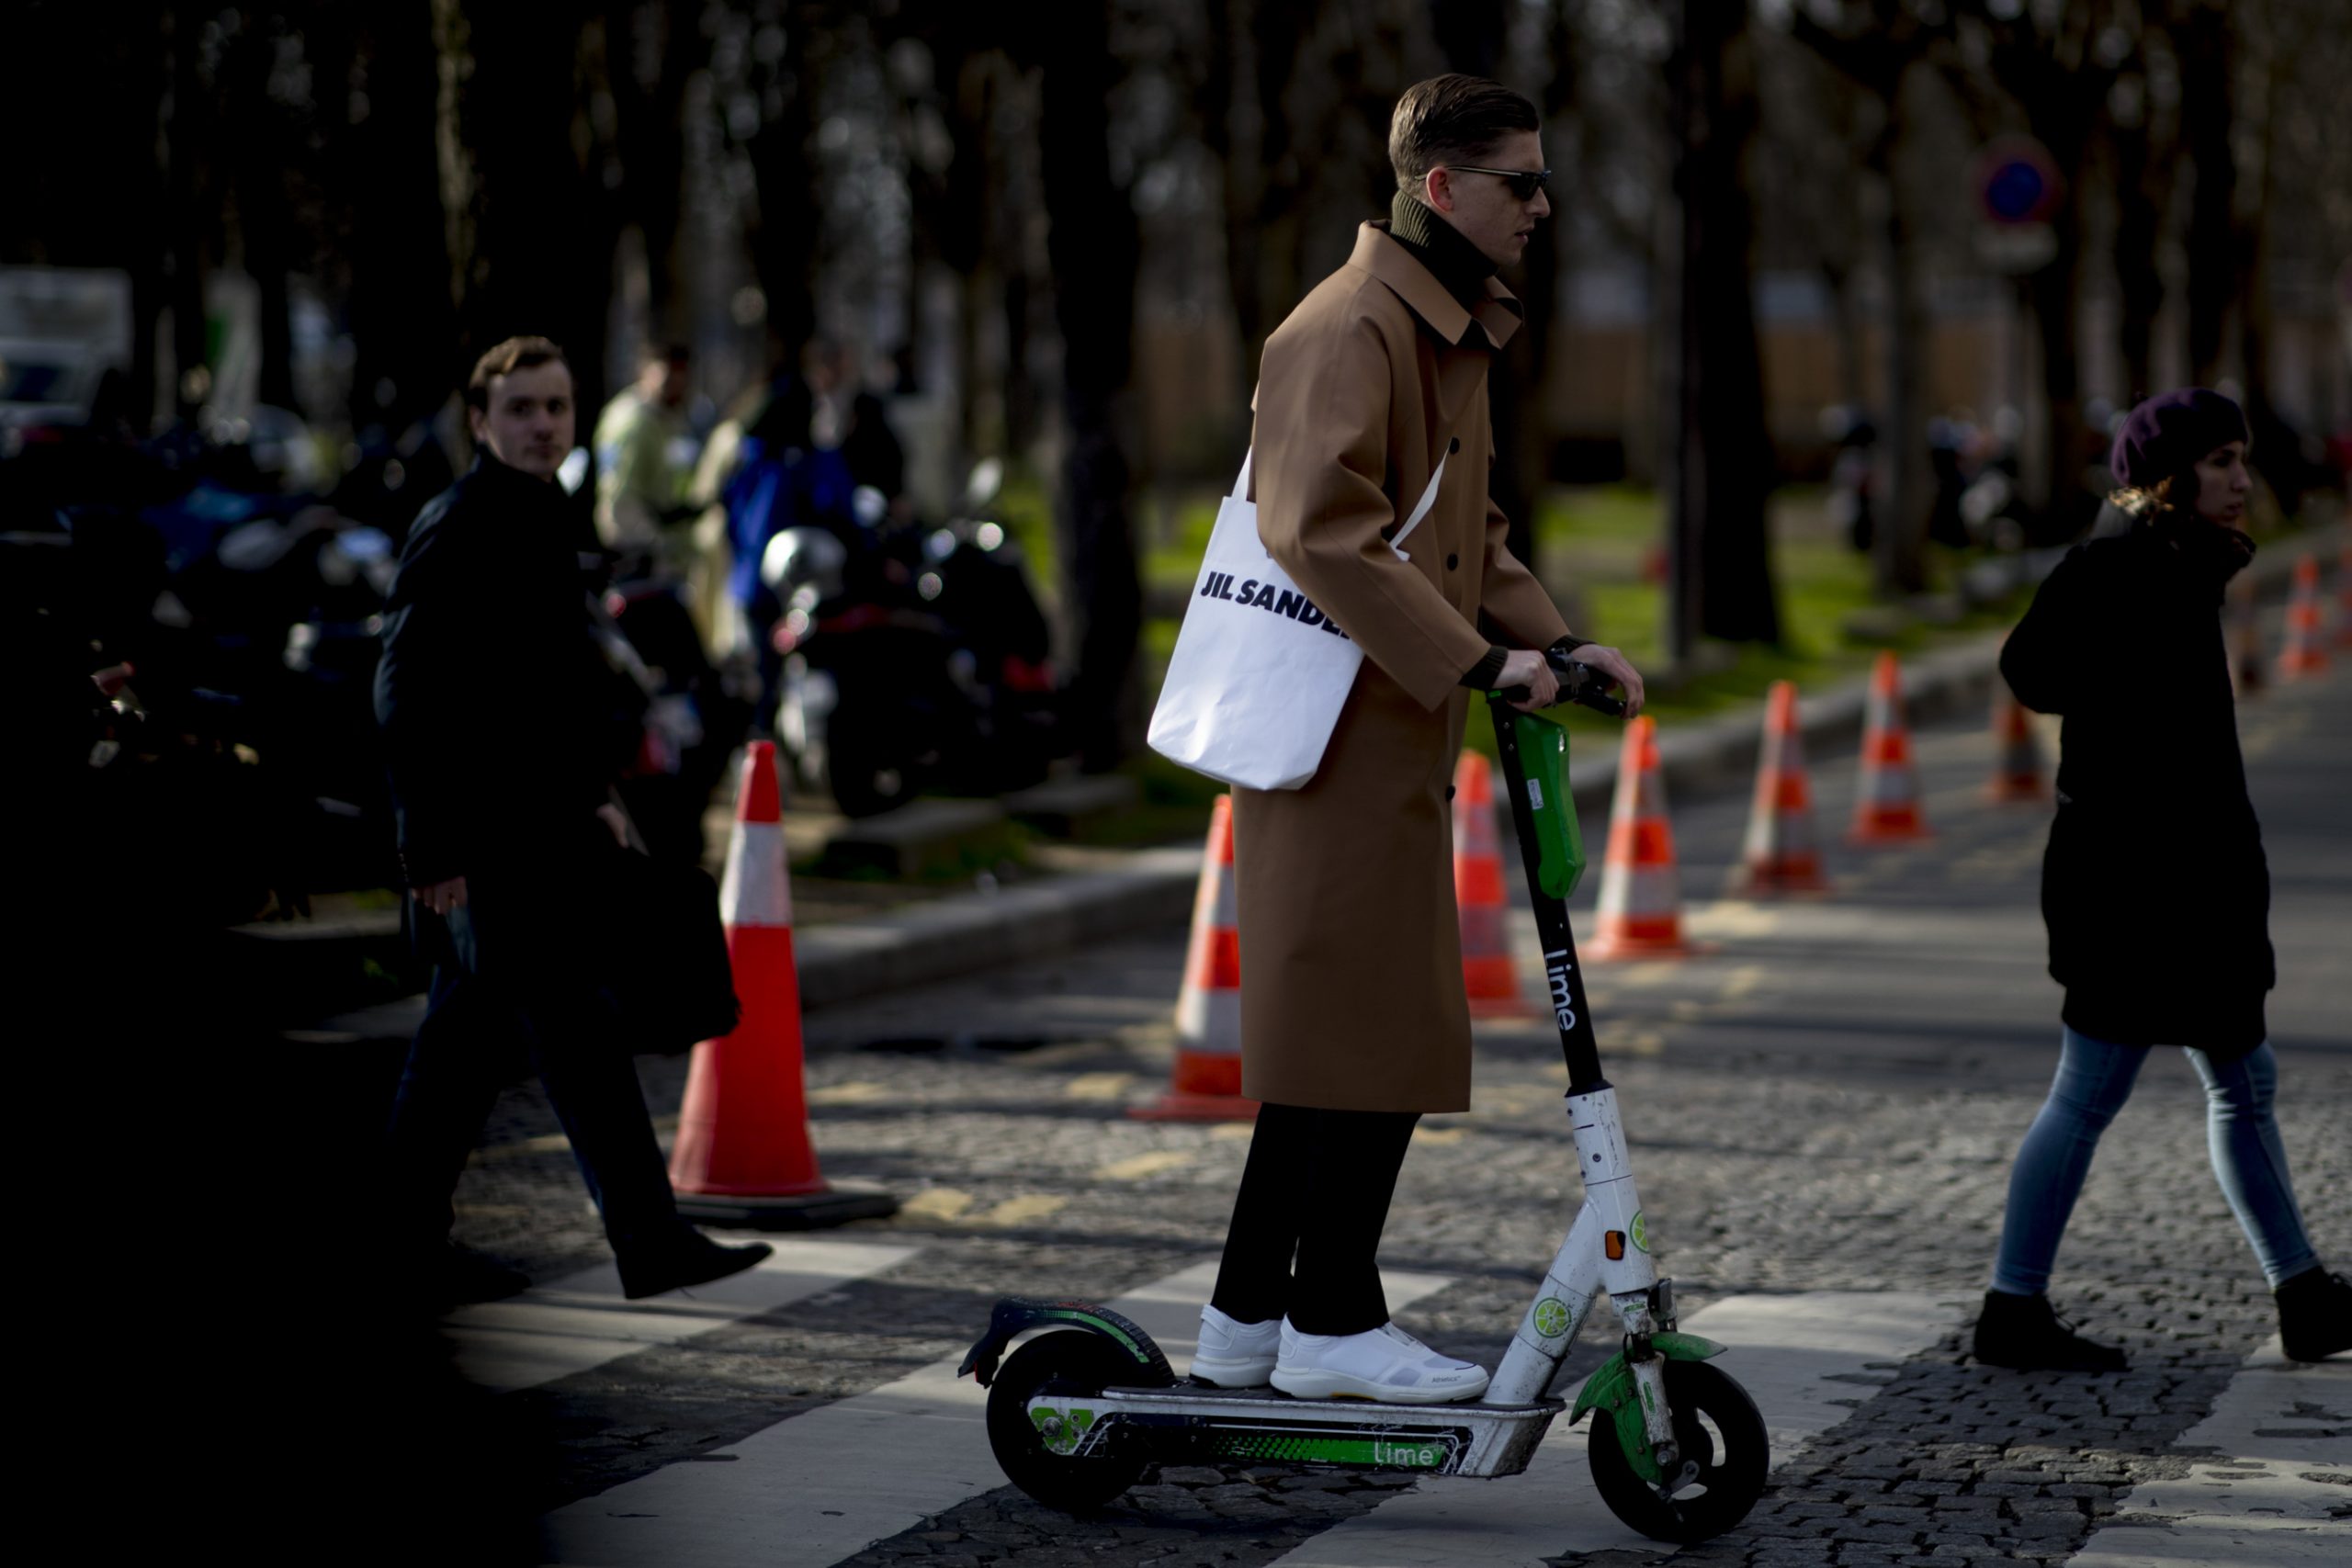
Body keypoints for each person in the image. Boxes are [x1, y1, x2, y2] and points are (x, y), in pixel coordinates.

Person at [1191, 75, 1646, 1405]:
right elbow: (1321, 531)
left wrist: (1553, 646)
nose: (1542, 206)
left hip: (1388, 727)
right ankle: (1330, 1315)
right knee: (1369, 1029)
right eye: (1520, 182)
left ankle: (1241, 1319)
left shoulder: (1440, 326)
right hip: (1334, 732)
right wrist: (1482, 659)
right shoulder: (1349, 327)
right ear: (1441, 188)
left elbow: (1469, 527)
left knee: (1340, 1035)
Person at [373, 335, 769, 1308]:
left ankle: (412, 1240)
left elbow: (552, 682)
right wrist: (428, 845)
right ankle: (645, 1236)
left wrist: (596, 790)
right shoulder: (459, 523)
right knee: (549, 1032)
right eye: (520, 409)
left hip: (544, 830)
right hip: (486, 843)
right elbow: (403, 689)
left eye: (555, 407)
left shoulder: (545, 513)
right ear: (479, 421)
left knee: (475, 1044)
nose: (541, 425)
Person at [1975, 388, 2348, 1371]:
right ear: (2167, 476)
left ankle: (2302, 1291)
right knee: (2098, 1090)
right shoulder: (2121, 567)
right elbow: (2033, 667)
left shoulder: (2170, 567)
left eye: (2241, 459)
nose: (2241, 480)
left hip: (2170, 885)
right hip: (2141, 891)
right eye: (2222, 460)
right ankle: (2012, 1310)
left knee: (2239, 1080)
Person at [593, 343, 695, 563]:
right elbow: (619, 498)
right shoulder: (631, 422)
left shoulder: (670, 419)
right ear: (646, 371)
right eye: (668, 377)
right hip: (637, 552)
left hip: (665, 550)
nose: (677, 385)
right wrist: (652, 543)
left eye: (682, 377)